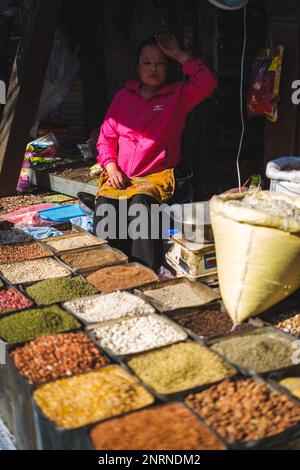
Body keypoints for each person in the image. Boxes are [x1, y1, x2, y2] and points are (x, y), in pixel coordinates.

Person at [93, 33, 217, 272]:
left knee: (140, 203)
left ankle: (145, 272)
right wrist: (111, 167)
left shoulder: (178, 95)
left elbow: (207, 83)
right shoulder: (122, 98)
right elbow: (105, 138)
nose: (153, 68)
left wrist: (179, 54)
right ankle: (109, 271)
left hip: (157, 176)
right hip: (120, 175)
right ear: (137, 67)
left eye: (160, 62)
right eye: (147, 62)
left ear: (168, 66)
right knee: (107, 205)